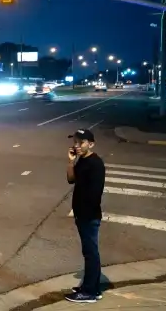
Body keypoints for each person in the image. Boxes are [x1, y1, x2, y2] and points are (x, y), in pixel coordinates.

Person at [64, 128, 105, 303]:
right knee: (88, 251)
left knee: (91, 253)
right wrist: (71, 162)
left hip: (89, 216)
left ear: (91, 144)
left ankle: (89, 292)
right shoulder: (81, 160)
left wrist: (84, 214)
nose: (77, 146)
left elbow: (95, 194)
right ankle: (92, 288)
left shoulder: (96, 164)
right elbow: (71, 180)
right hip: (82, 214)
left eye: (81, 142)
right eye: (75, 142)